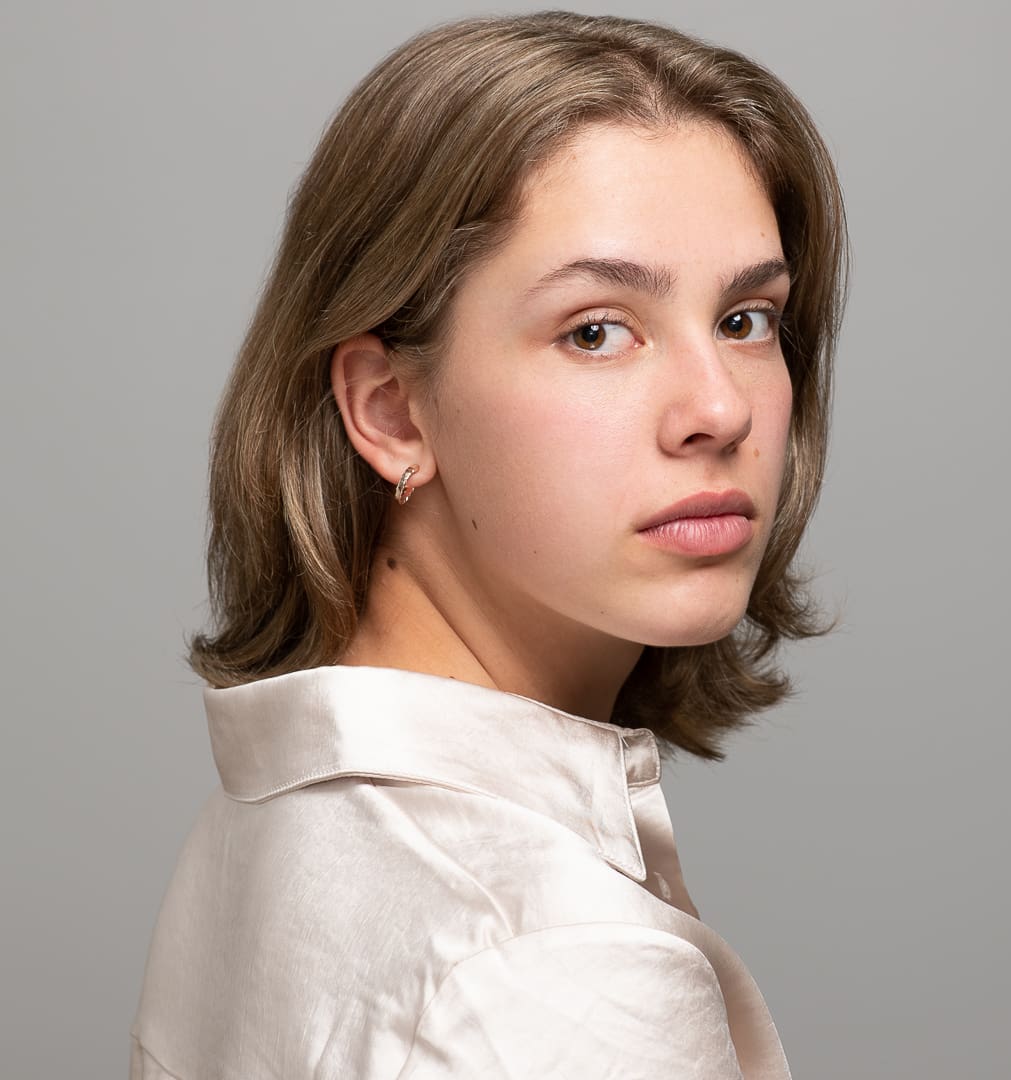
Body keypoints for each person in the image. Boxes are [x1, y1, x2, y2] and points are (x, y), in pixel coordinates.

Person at [130, 10, 847, 1078]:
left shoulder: (272, 820)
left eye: (747, 319)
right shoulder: (560, 965)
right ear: (390, 412)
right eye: (595, 330)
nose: (720, 409)